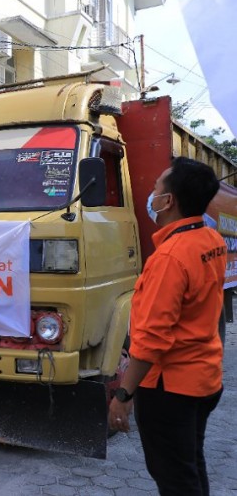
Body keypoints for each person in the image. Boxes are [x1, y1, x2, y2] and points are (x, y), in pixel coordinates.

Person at [108, 157, 226, 496]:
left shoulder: (170, 258)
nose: (152, 192)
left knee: (174, 477)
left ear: (168, 201)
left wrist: (123, 394)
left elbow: (153, 341)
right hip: (203, 379)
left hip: (171, 388)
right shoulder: (210, 240)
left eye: (157, 186)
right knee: (189, 465)